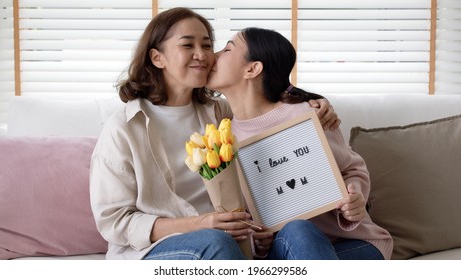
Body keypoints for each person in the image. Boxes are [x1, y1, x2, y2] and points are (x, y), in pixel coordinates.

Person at [90, 7, 339, 260]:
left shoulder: (222, 112)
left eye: (207, 45)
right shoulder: (123, 128)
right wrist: (198, 224)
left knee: (295, 232)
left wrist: (314, 103)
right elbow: (115, 222)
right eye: (187, 45)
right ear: (157, 58)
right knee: (215, 241)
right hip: (153, 250)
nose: (202, 55)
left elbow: (266, 104)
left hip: (229, 241)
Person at [206, 27, 393, 260]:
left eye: (227, 49)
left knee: (298, 228)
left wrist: (355, 197)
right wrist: (258, 241)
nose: (214, 55)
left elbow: (351, 169)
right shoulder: (224, 140)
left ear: (252, 68)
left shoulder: (307, 115)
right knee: (295, 230)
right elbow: (248, 214)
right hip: (286, 249)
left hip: (351, 245)